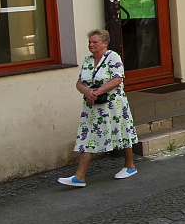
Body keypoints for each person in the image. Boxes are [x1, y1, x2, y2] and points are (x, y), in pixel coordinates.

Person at [58, 29, 139, 188]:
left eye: (95, 42)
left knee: (121, 131)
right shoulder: (87, 60)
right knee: (87, 136)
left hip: (113, 105)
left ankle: (130, 166)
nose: (91, 45)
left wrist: (98, 91)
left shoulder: (113, 57)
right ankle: (79, 177)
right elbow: (79, 82)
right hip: (92, 106)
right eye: (90, 42)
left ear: (105, 43)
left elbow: (117, 79)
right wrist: (87, 91)